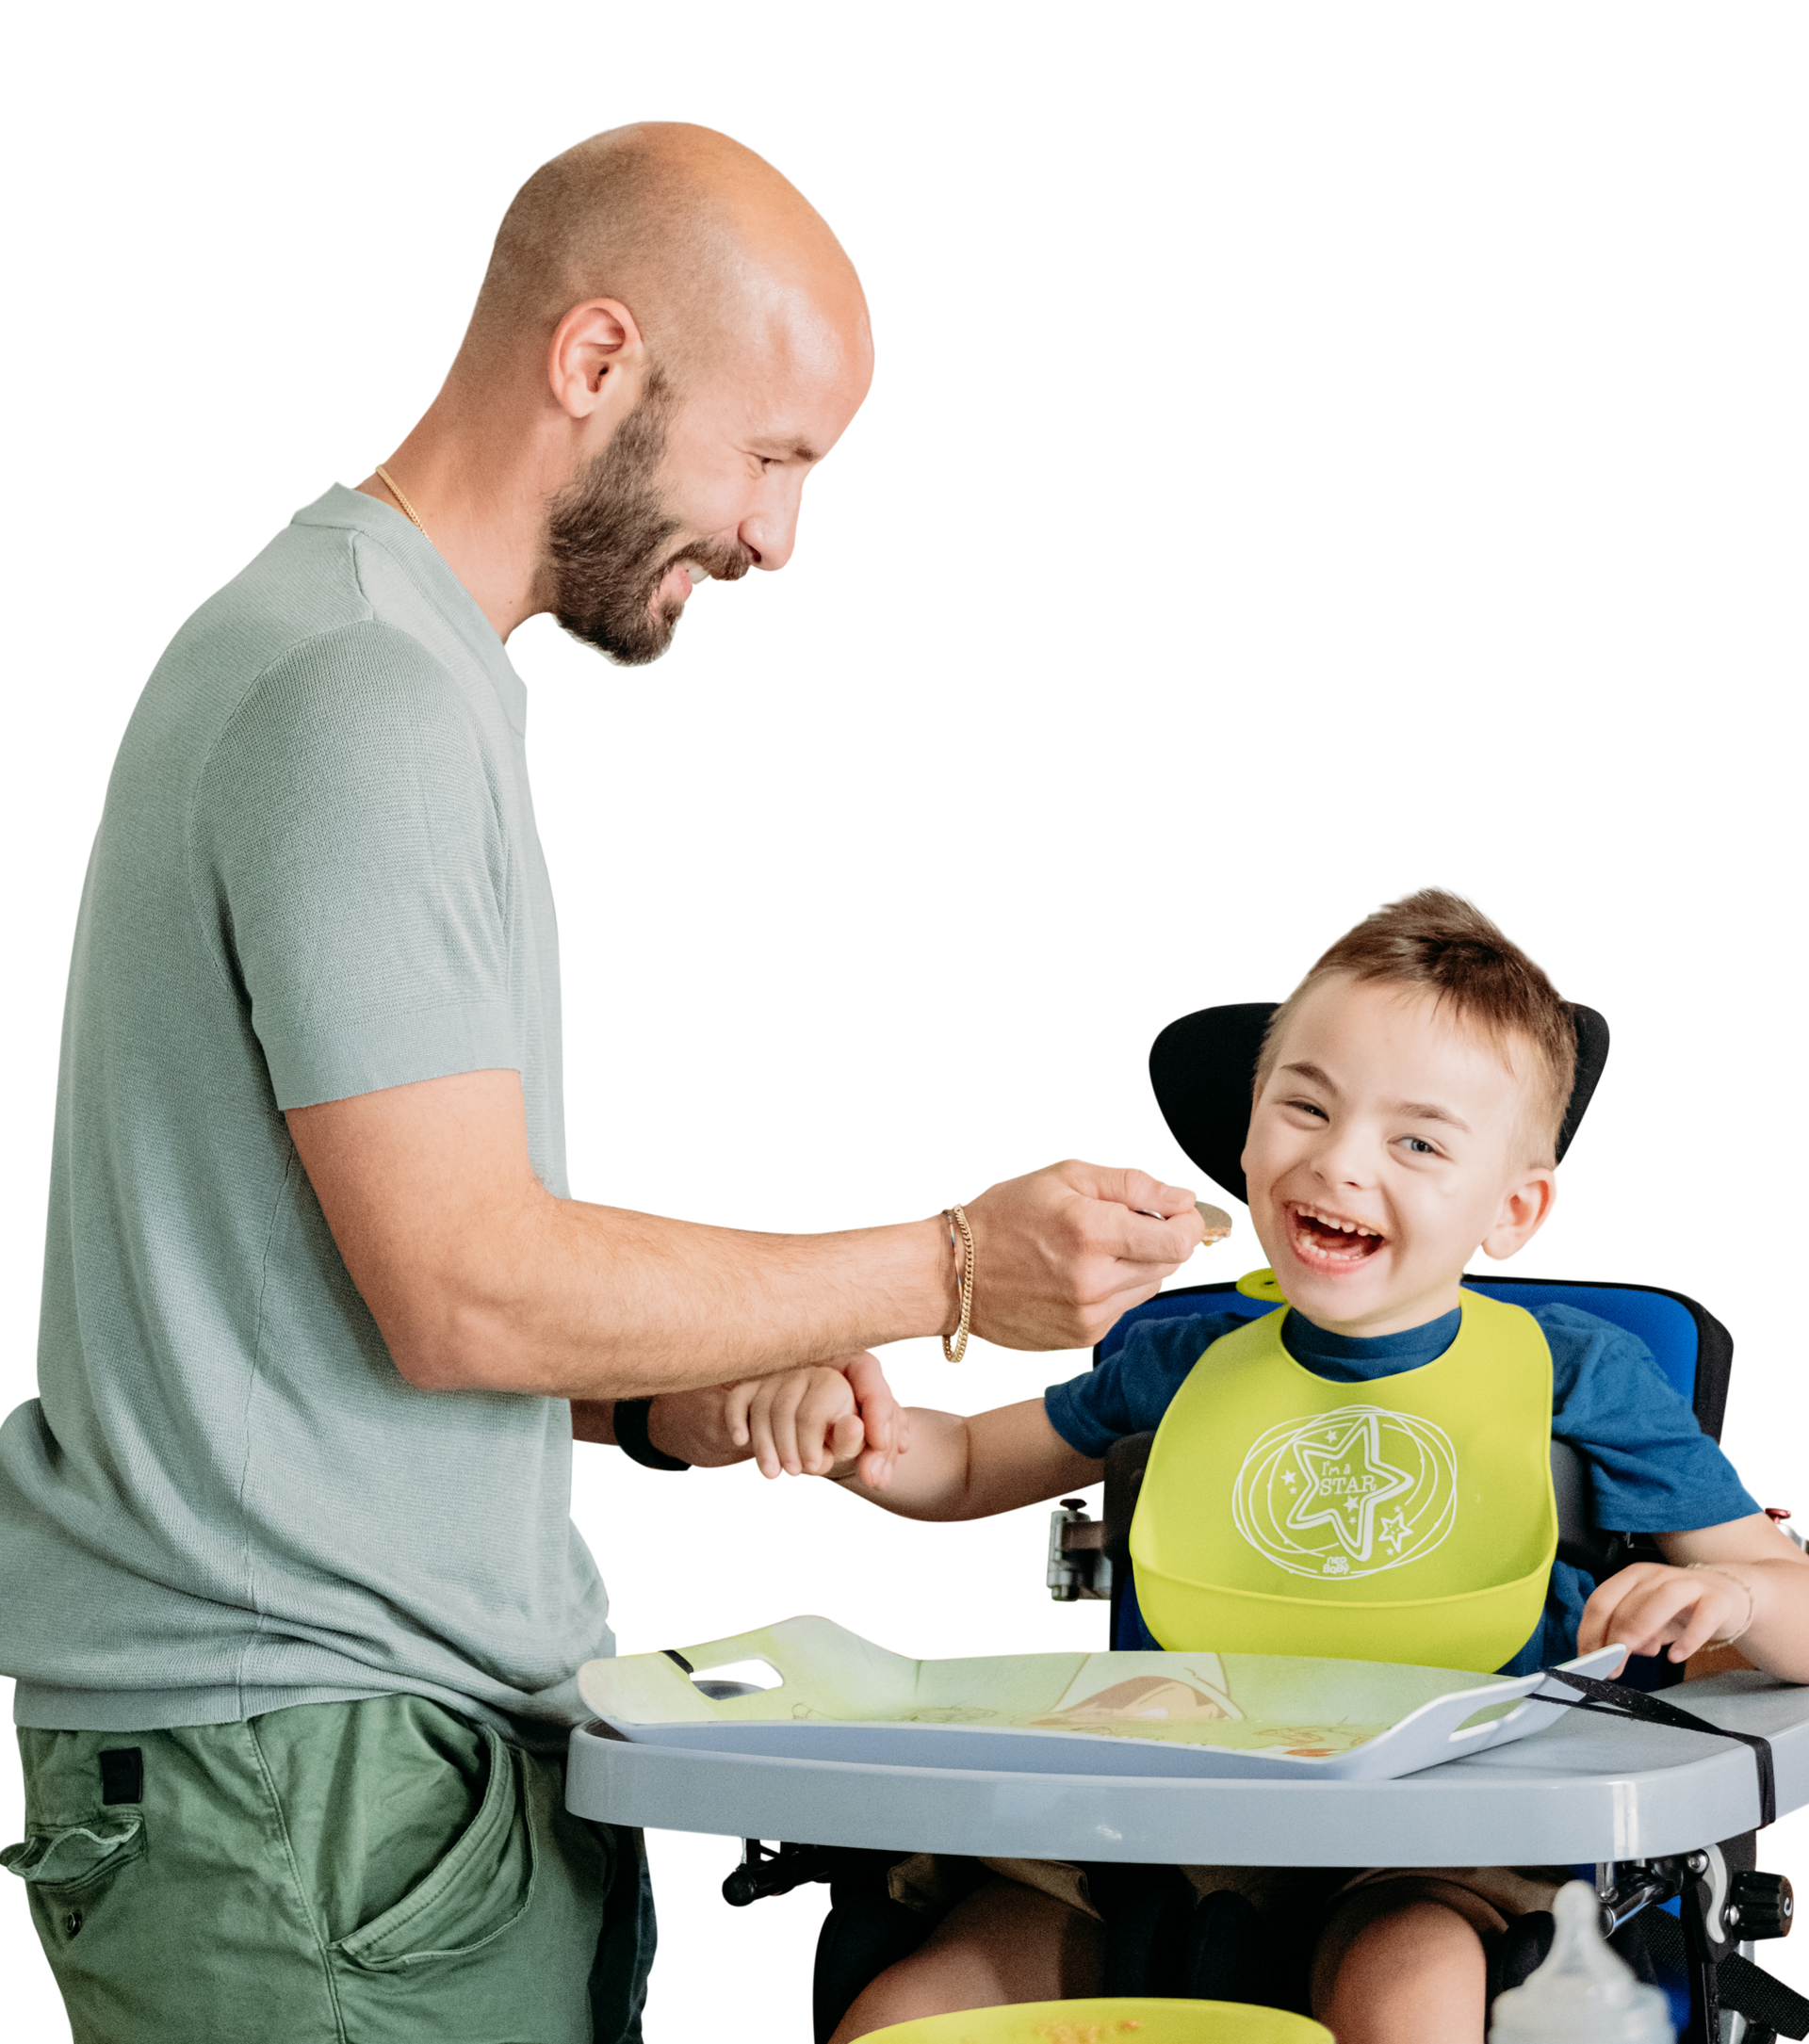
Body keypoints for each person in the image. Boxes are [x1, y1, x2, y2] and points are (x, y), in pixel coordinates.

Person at [0, 120, 1206, 2044]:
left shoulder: (384, 666)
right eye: (772, 457)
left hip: (345, 1772)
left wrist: (663, 1412)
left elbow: (316, 1306)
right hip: (315, 1781)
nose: (776, 537)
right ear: (596, 360)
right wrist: (958, 1270)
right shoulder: (359, 691)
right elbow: (465, 1282)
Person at [690, 885, 1809, 2044]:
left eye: (1416, 1140)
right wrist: (856, 1430)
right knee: (910, 2007)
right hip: (1156, 1825)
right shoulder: (1178, 1353)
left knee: (1411, 1986)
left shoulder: (1584, 1375)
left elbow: (1803, 1615)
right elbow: (967, 1462)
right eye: (1305, 1108)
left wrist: (1731, 1590)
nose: (1340, 1164)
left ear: (1515, 1209)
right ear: (1248, 1129)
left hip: (1437, 1844)